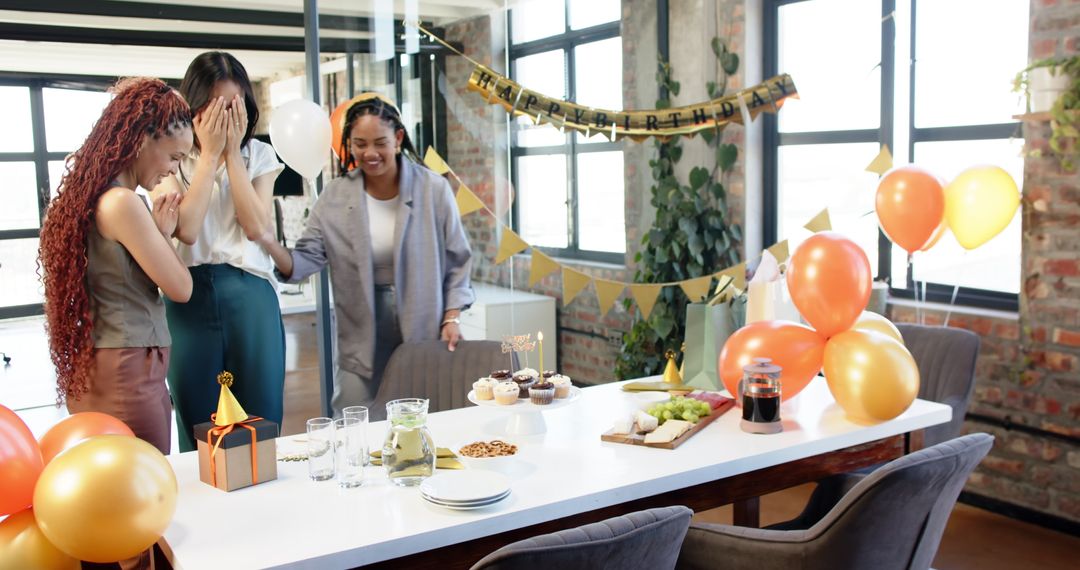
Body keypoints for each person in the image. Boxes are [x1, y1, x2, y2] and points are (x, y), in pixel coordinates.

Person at [256, 93, 474, 415]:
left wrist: (451, 317)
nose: (369, 153)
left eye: (379, 143)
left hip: (422, 323)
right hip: (361, 328)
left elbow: (457, 260)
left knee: (422, 415)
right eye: (359, 144)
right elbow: (304, 261)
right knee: (355, 416)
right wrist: (269, 242)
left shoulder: (432, 190)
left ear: (398, 138)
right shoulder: (335, 196)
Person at [38, 77, 194, 456]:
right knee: (146, 479)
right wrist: (163, 234)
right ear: (142, 139)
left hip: (106, 363)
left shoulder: (92, 196)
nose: (172, 171)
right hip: (128, 372)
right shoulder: (122, 202)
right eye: (173, 157)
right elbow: (181, 288)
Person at [151, 52, 286, 452]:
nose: (227, 116)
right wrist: (209, 154)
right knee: (198, 416)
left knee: (260, 414)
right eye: (215, 107)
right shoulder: (170, 160)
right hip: (187, 297)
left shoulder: (258, 156)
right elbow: (187, 230)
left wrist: (231, 154)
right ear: (193, 107)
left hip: (251, 294)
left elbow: (257, 227)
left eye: (235, 105)